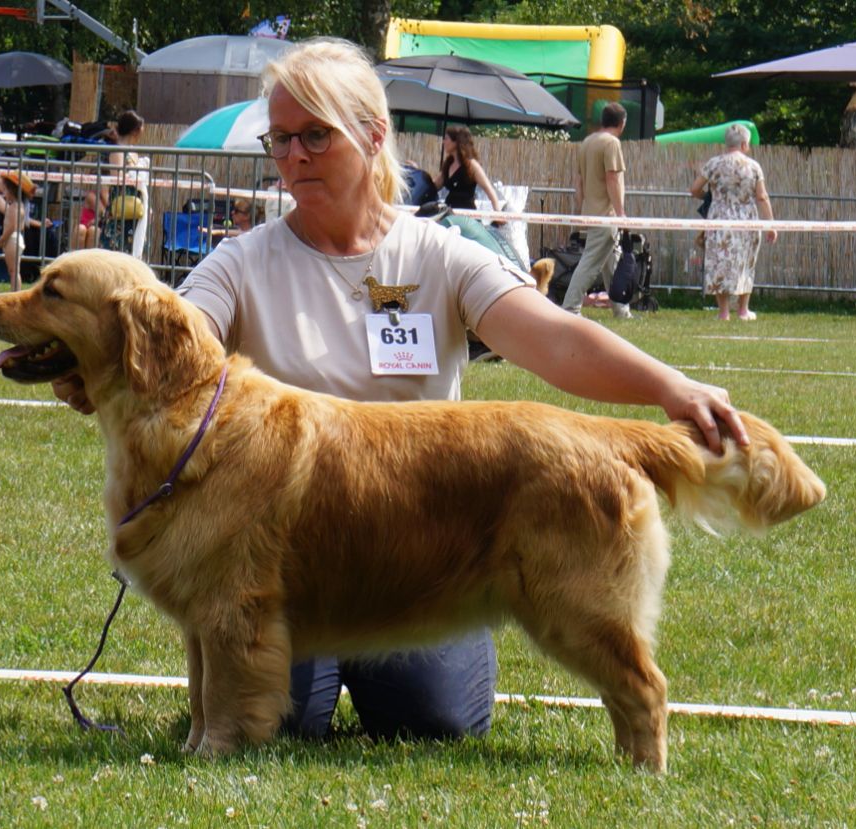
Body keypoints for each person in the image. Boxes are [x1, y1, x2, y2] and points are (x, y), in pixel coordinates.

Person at [53, 37, 749, 743]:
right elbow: (183, 337)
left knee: (433, 721)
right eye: (281, 139)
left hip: (424, 547)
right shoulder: (242, 261)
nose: (294, 156)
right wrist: (103, 360)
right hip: (291, 558)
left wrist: (671, 387)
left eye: (315, 135)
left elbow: (554, 338)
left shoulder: (438, 252)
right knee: (283, 716)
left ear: (373, 134)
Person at [690, 123, 777, 321]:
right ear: (745, 143)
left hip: (719, 217)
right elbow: (762, 197)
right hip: (746, 218)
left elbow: (694, 189)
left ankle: (723, 312)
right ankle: (743, 310)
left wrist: (709, 198)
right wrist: (770, 224)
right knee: (746, 261)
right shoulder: (753, 166)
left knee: (719, 262)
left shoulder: (713, 164)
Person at [561, 102, 632, 320]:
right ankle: (570, 307)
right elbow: (612, 178)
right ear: (621, 123)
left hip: (592, 211)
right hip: (606, 214)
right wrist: (621, 213)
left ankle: (621, 310)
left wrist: (582, 207)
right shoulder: (611, 143)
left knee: (613, 261)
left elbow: (579, 179)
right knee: (591, 262)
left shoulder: (587, 142)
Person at [99, 110, 150, 259]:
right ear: (135, 130)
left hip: (134, 205)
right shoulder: (117, 151)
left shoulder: (133, 152)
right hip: (120, 205)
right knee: (115, 251)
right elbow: (117, 177)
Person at [432, 125, 504, 216]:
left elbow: (488, 188)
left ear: (456, 142)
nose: (443, 142)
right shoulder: (448, 164)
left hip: (466, 215)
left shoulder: (471, 165)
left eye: (446, 139)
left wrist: (498, 213)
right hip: (448, 213)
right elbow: (434, 186)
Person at [0, 171, 35, 291]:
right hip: (15, 238)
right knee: (13, 270)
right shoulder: (18, 206)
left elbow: (13, 226)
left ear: (12, 191)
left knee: (13, 270)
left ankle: (15, 292)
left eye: (6, 190)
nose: (4, 194)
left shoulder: (15, 207)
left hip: (12, 238)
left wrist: (3, 238)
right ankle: (14, 291)